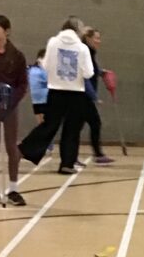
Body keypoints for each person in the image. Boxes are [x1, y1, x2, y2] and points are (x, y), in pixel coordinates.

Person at [18, 17, 93, 175]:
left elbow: (45, 65)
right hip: (76, 93)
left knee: (49, 125)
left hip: (55, 92)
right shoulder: (82, 48)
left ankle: (23, 149)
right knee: (72, 129)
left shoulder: (53, 42)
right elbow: (88, 73)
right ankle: (67, 164)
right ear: (78, 30)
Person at [0, 14, 28, 206]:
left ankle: (13, 189)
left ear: (7, 31)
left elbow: (23, 84)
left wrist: (11, 100)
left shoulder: (17, 56)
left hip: (10, 107)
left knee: (12, 147)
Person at [80, 27, 114, 165]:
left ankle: (73, 156)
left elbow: (92, 70)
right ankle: (97, 154)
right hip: (84, 96)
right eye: (96, 38)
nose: (99, 41)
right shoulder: (86, 52)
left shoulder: (90, 53)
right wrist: (94, 96)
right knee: (94, 123)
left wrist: (101, 72)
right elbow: (85, 77)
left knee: (78, 126)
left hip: (85, 95)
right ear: (88, 39)